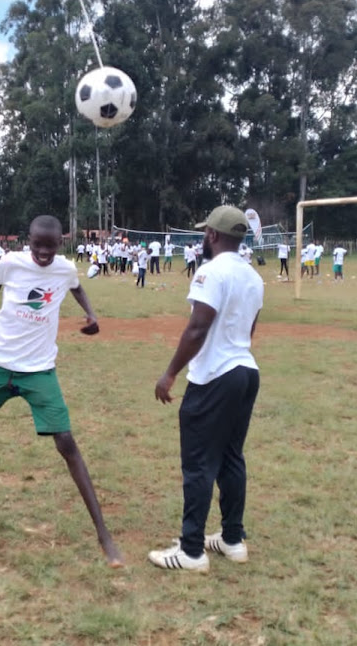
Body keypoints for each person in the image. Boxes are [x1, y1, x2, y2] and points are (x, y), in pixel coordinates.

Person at [0, 215, 123, 568]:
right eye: (37, 245)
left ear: (62, 241)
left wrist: (92, 315)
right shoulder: (10, 263)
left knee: (66, 441)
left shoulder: (64, 268)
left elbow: (77, 287)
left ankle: (104, 535)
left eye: (51, 245)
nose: (43, 252)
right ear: (26, 239)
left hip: (39, 370)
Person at [149, 206, 263, 573]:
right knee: (231, 457)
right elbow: (249, 331)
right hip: (246, 371)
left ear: (212, 235)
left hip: (215, 375)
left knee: (199, 463)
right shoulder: (253, 276)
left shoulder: (210, 272)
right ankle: (232, 540)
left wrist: (169, 374)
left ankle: (192, 550)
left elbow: (197, 328)